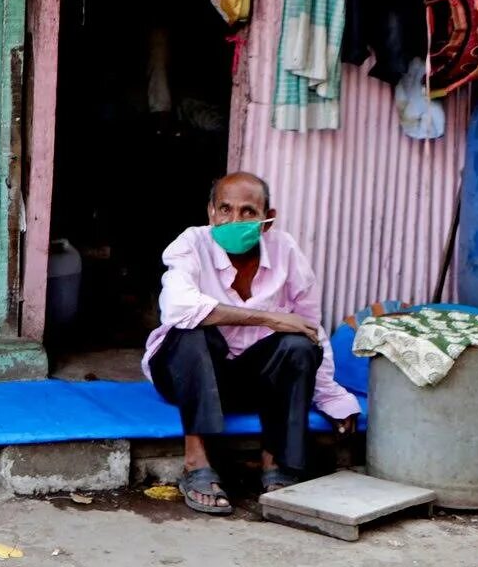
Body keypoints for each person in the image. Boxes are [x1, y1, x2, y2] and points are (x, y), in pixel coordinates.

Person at [144, 172, 361, 515]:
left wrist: (332, 397)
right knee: (191, 331)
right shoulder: (191, 244)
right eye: (225, 209)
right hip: (185, 375)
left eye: (248, 211)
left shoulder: (285, 251)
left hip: (249, 381)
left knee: (299, 344)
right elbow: (178, 308)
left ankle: (275, 463)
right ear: (211, 213)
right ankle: (196, 463)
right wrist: (270, 318)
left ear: (266, 220)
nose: (234, 219)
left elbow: (309, 327)